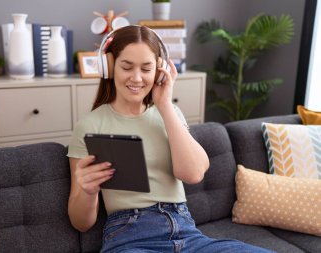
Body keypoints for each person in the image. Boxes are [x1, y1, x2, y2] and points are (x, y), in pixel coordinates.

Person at [67, 25, 274, 253]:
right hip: (130, 237)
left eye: (146, 69)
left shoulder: (169, 113)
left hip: (186, 233)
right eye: (127, 67)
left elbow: (193, 173)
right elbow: (81, 223)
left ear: (159, 70)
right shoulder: (89, 125)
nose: (137, 78)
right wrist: (88, 191)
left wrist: (165, 104)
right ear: (110, 66)